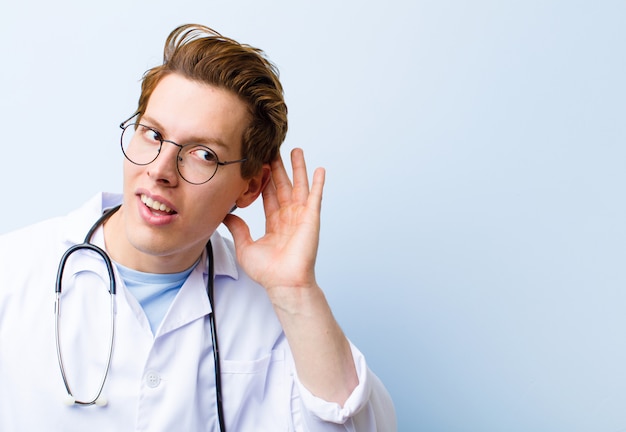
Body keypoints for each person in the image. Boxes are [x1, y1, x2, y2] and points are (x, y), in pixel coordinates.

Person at [0, 24, 396, 431]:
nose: (159, 171)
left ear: (250, 187)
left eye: (203, 154)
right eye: (153, 134)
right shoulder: (13, 271)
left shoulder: (280, 311)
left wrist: (297, 293)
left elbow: (362, 425)